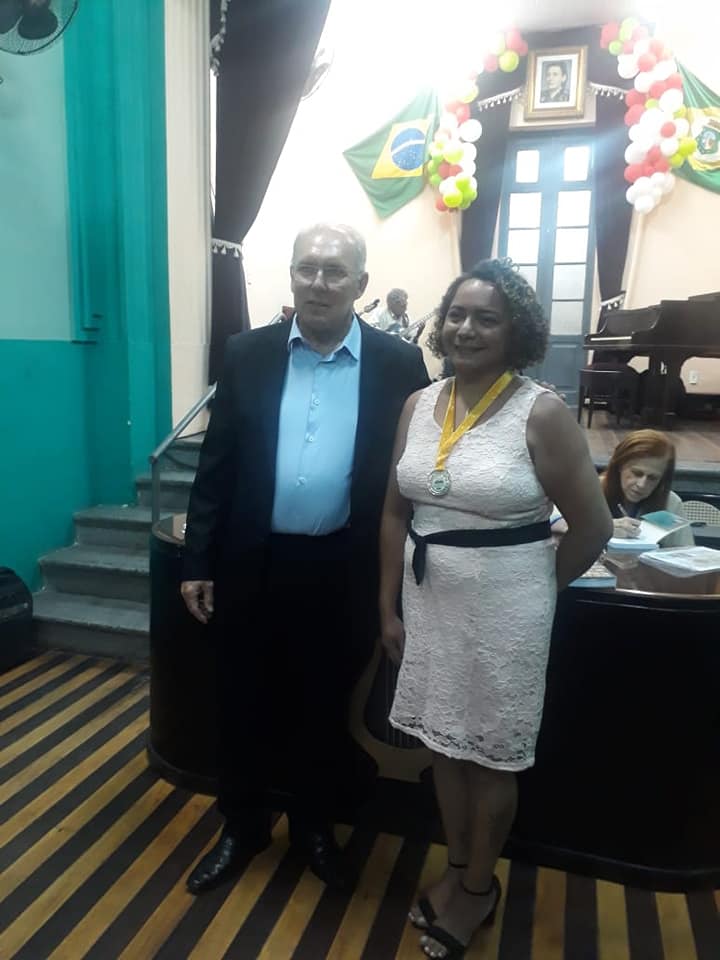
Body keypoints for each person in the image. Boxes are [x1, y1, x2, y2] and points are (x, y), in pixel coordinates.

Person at [180, 223, 429, 895]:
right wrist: (197, 559)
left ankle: (315, 826)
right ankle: (241, 826)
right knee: (241, 699)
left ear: (361, 284)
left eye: (334, 272)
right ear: (291, 275)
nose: (318, 283)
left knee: (324, 706)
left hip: (342, 569)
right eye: (306, 269)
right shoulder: (247, 353)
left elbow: (414, 475)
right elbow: (216, 465)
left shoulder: (398, 365)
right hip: (251, 563)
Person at [379, 259, 612, 959]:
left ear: (517, 332)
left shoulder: (541, 411)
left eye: (487, 318)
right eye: (456, 314)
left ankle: (480, 888)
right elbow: (395, 511)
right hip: (429, 601)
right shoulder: (419, 404)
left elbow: (593, 526)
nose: (466, 329)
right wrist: (387, 606)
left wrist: (535, 590)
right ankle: (456, 869)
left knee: (490, 760)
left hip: (507, 611)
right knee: (443, 747)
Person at [601, 429, 694, 546]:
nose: (642, 484)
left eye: (652, 478)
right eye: (636, 473)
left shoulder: (671, 503)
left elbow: (686, 551)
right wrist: (602, 530)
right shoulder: (590, 493)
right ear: (619, 465)